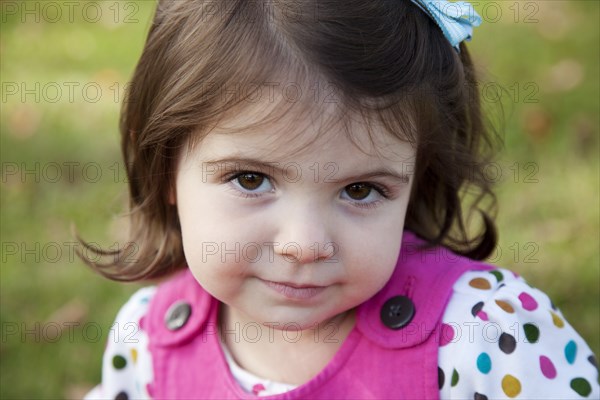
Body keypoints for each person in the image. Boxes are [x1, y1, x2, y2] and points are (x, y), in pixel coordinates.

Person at [82, 1, 599, 398]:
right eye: (250, 179)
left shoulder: (487, 334)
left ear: (418, 177)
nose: (304, 245)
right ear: (167, 167)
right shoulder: (149, 339)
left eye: (360, 190)